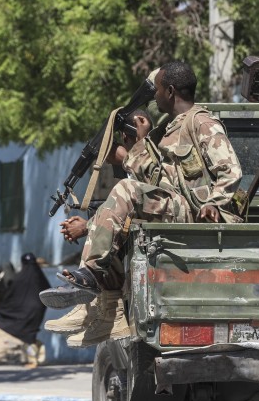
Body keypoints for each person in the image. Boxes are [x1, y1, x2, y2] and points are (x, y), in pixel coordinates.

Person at [52, 61, 243, 346]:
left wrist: (213, 204)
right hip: (176, 206)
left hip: (195, 213)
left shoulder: (200, 122)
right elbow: (158, 181)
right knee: (117, 226)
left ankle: (91, 275)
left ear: (170, 90)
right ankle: (105, 311)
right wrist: (134, 148)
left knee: (127, 189)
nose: (154, 96)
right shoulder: (168, 129)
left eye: (158, 90)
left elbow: (231, 170)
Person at [0, 253, 51, 367]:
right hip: (38, 309)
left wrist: (2, 309)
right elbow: (48, 292)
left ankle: (32, 360)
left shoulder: (20, 278)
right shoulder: (40, 277)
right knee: (30, 334)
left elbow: (11, 295)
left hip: (23, 311)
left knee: (27, 336)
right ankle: (38, 355)